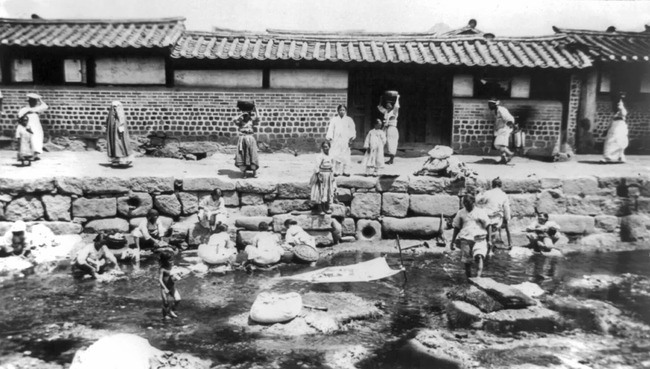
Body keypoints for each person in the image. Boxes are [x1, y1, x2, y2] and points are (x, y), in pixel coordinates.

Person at [450, 194, 492, 279]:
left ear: (473, 202)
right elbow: (456, 227)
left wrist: (489, 240)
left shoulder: (480, 212)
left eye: (468, 203)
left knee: (479, 256)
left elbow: (488, 225)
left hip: (479, 238)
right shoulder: (461, 213)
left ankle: (478, 277)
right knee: (467, 262)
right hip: (465, 238)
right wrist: (453, 241)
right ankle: (469, 279)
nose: (466, 205)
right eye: (465, 203)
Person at [477, 177, 512, 247]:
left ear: (492, 185)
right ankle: (510, 243)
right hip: (497, 219)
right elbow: (507, 209)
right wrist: (507, 219)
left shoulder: (487, 193)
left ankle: (488, 240)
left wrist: (480, 193)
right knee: (506, 222)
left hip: (487, 218)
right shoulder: (503, 195)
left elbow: (478, 200)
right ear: (500, 185)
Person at [326, 105, 356, 176]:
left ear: (345, 111)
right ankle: (337, 171)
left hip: (345, 140)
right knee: (336, 155)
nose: (342, 111)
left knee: (346, 155)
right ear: (338, 111)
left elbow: (352, 129)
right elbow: (331, 129)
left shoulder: (349, 119)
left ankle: (346, 171)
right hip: (336, 140)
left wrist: (351, 138)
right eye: (340, 110)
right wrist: (330, 137)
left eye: (343, 110)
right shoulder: (334, 120)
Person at [18, 93, 48, 161]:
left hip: (36, 125)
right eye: (31, 101)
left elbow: (45, 106)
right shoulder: (25, 109)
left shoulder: (37, 108)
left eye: (34, 101)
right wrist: (24, 125)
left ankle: (35, 154)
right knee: (30, 139)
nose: (32, 103)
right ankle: (28, 155)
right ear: (29, 101)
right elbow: (20, 116)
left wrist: (40, 99)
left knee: (38, 138)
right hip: (28, 125)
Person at [310, 141, 337, 214]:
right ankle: (320, 208)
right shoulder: (319, 156)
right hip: (322, 175)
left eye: (327, 146)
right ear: (322, 148)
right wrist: (318, 175)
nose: (326, 148)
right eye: (324, 147)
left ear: (329, 147)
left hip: (329, 175)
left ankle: (326, 207)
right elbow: (316, 167)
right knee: (320, 191)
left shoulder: (331, 156)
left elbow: (333, 166)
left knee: (328, 191)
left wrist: (333, 175)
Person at [234, 106, 261, 178]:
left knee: (252, 154)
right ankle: (244, 173)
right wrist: (241, 114)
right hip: (242, 139)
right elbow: (234, 120)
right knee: (242, 155)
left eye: (248, 114)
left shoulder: (252, 121)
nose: (246, 116)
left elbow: (258, 117)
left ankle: (254, 172)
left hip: (250, 139)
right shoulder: (240, 122)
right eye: (245, 115)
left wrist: (256, 108)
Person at [105, 101, 133, 167]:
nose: (115, 108)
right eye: (113, 107)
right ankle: (115, 159)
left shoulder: (120, 115)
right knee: (113, 143)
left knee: (120, 142)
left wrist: (121, 127)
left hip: (119, 130)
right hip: (113, 130)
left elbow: (121, 120)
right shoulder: (111, 115)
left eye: (116, 107)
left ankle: (124, 159)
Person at [375, 93, 400, 165]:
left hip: (392, 129)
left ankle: (391, 159)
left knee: (391, 143)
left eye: (389, 105)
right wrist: (381, 99)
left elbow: (397, 106)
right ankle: (378, 157)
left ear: (392, 106)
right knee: (380, 141)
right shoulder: (386, 112)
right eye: (387, 105)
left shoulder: (394, 112)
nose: (388, 106)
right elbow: (380, 107)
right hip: (385, 128)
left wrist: (397, 98)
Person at [601, 97, 628, 163]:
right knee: (609, 142)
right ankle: (608, 157)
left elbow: (624, 114)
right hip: (613, 128)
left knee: (619, 142)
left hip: (620, 128)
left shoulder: (623, 111)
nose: (618, 105)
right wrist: (607, 129)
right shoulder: (615, 113)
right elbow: (611, 122)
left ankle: (620, 157)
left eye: (619, 104)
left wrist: (621, 107)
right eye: (617, 104)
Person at [488, 98, 515, 164]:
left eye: (491, 104)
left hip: (504, 129)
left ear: (496, 104)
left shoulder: (501, 109)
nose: (490, 106)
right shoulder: (496, 111)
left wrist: (509, 125)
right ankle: (503, 159)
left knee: (497, 144)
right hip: (500, 129)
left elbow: (509, 118)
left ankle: (510, 153)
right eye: (489, 104)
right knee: (502, 145)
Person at [159, 250, 181, 319]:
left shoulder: (173, 267)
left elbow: (178, 275)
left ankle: (171, 310)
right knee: (165, 302)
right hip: (164, 288)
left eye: (172, 260)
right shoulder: (162, 269)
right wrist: (164, 288)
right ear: (164, 261)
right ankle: (165, 316)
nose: (172, 262)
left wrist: (179, 274)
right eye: (170, 260)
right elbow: (160, 279)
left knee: (178, 299)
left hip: (172, 286)